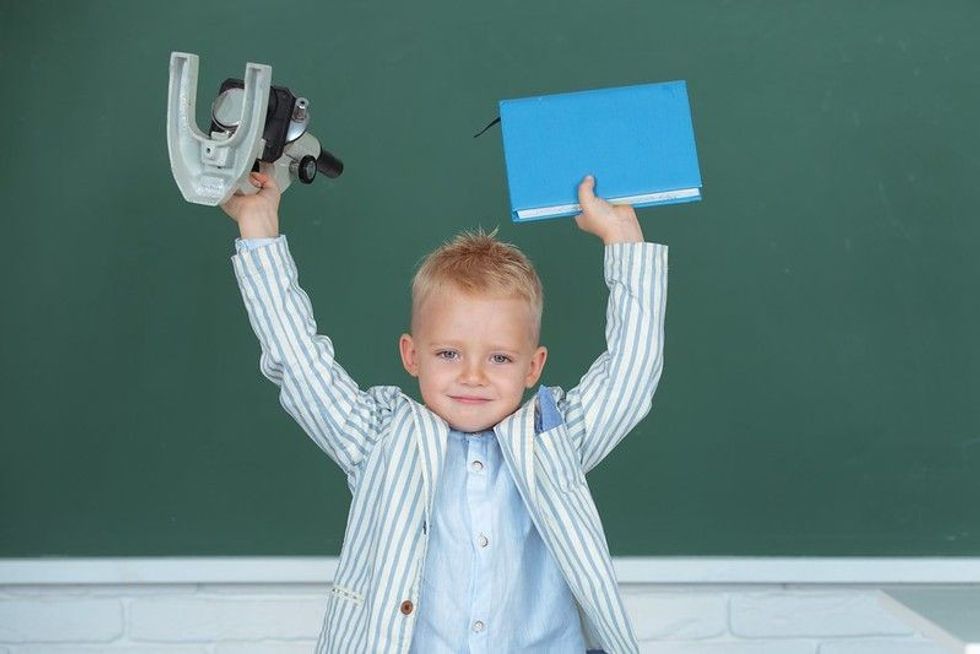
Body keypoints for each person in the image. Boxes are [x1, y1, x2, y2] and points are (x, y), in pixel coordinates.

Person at [223, 171, 668, 653]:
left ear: (532, 367)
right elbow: (299, 362)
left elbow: (632, 373)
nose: (473, 376)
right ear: (411, 355)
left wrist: (623, 238)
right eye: (449, 354)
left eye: (499, 358)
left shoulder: (554, 437)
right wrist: (258, 227)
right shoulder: (380, 438)